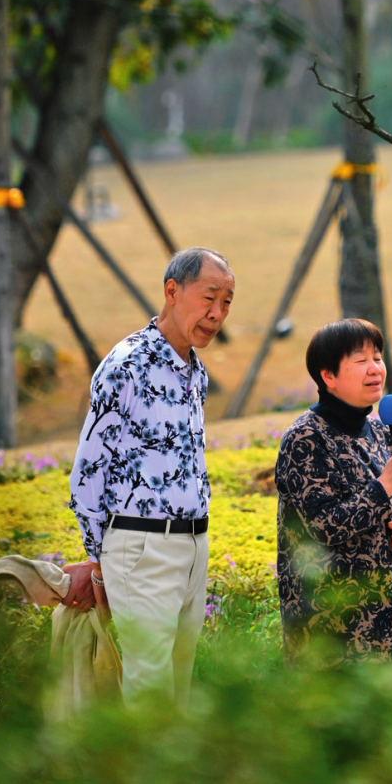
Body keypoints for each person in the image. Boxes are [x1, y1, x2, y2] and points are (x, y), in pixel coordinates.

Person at [64, 247, 234, 705]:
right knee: (150, 686)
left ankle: (171, 777)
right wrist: (99, 561)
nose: (216, 314)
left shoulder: (193, 372)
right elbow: (88, 470)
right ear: (172, 291)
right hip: (140, 546)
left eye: (227, 303)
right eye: (209, 298)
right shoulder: (128, 365)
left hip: (193, 544)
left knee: (178, 685)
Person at [275, 317, 392, 667]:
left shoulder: (383, 430)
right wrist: (386, 482)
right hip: (335, 638)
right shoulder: (306, 438)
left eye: (377, 357)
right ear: (328, 376)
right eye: (361, 360)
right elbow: (325, 527)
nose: (375, 368)